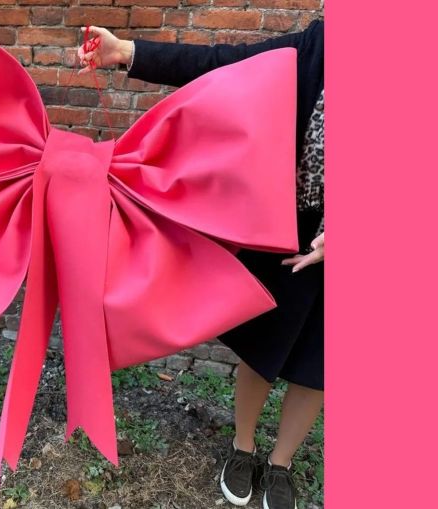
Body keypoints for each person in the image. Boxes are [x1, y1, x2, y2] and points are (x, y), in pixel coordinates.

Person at [76, 20, 324, 509]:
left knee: (319, 366)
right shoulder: (316, 47)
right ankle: (244, 447)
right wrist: (127, 50)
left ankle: (282, 463)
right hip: (284, 227)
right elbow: (219, 63)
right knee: (264, 345)